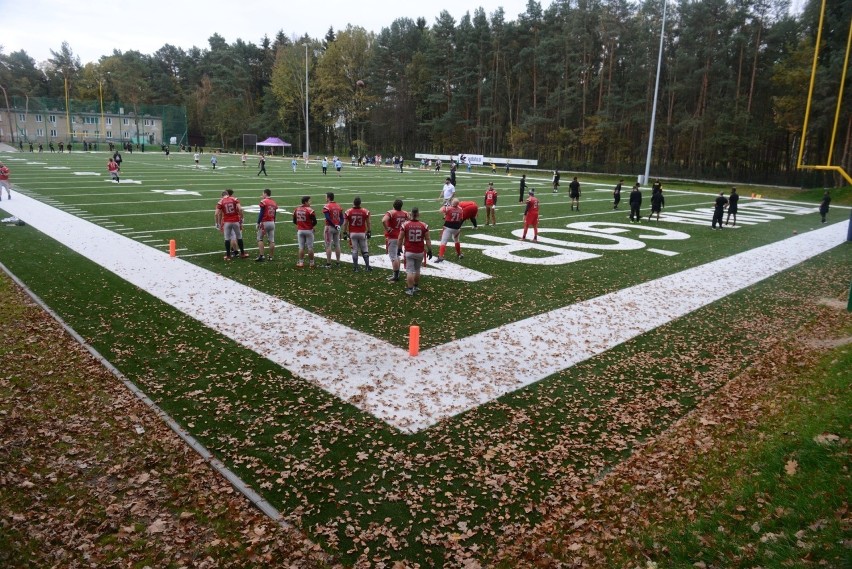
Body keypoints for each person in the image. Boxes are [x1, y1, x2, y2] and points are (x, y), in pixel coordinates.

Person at [398, 208, 433, 296]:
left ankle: (410, 289)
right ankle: (416, 286)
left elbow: (400, 238)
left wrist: (399, 248)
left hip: (409, 250)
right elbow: (428, 239)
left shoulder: (405, 225)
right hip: (419, 251)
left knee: (410, 270)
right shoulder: (424, 225)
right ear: (418, 214)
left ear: (410, 214)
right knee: (417, 269)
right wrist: (430, 250)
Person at [216, 189, 249, 259]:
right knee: (239, 236)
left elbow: (216, 214)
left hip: (227, 222)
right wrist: (242, 218)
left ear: (222, 196)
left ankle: (228, 256)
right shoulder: (234, 199)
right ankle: (242, 253)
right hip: (236, 221)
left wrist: (217, 223)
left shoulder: (221, 201)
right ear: (228, 194)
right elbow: (240, 209)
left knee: (227, 238)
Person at [382, 199, 409, 282]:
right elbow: (409, 221)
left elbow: (383, 220)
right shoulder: (405, 213)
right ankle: (397, 274)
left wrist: (387, 228)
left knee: (393, 256)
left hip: (393, 236)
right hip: (401, 236)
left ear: (393, 205)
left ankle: (396, 276)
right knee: (397, 256)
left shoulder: (391, 212)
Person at [343, 196, 372, 271]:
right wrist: (369, 231)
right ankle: (367, 266)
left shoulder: (348, 211)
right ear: (360, 203)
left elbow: (345, 223)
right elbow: (368, 222)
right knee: (365, 249)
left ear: (353, 203)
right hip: (362, 233)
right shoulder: (365, 211)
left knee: (354, 250)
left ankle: (356, 268)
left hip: (353, 233)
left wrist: (344, 232)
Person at [435, 198, 464, 263]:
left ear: (452, 203)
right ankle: (459, 254)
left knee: (443, 242)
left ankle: (440, 256)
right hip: (457, 227)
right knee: (456, 241)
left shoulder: (449, 208)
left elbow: (440, 210)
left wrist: (445, 205)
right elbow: (461, 218)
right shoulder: (460, 209)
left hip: (448, 227)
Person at [293, 195, 317, 268]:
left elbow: (294, 221)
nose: (311, 202)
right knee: (310, 247)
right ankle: (311, 263)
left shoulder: (296, 209)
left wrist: (300, 225)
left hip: (300, 230)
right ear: (306, 202)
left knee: (301, 247)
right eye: (309, 201)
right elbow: (315, 221)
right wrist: (311, 226)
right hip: (309, 230)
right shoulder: (310, 210)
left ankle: (301, 263)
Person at [322, 192, 344, 268]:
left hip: (329, 227)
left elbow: (328, 218)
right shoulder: (338, 206)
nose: (325, 198)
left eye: (325, 197)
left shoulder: (327, 206)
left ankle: (329, 263)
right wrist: (338, 225)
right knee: (337, 244)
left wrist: (334, 224)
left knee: (328, 245)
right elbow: (342, 218)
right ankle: (338, 262)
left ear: (328, 198)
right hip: (337, 228)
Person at [255, 189, 278, 262]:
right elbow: (274, 214)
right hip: (272, 222)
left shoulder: (264, 202)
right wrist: (273, 221)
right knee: (272, 240)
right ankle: (271, 257)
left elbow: (261, 213)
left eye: (263, 193)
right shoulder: (274, 202)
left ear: (265, 193)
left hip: (265, 222)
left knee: (260, 238)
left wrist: (258, 222)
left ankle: (262, 256)